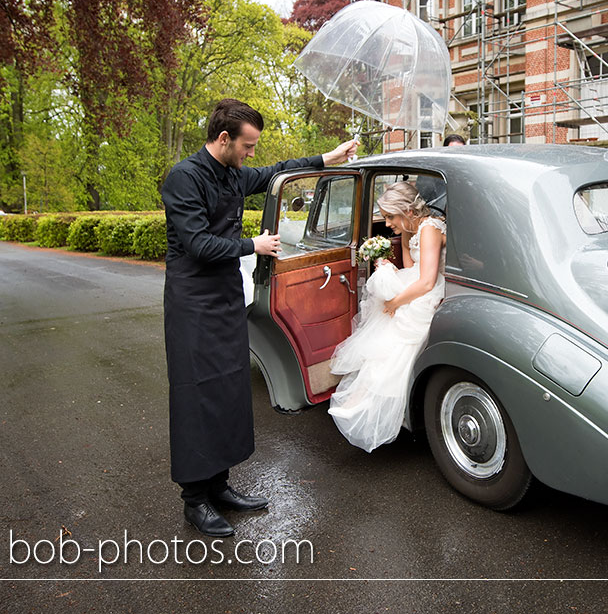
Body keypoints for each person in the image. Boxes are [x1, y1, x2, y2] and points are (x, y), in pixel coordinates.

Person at [161, 98, 357, 538]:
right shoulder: (183, 178)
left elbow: (275, 172)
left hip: (227, 296)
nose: (252, 154)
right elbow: (197, 243)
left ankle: (220, 485)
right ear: (225, 138)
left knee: (230, 388)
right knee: (197, 395)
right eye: (247, 146)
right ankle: (195, 499)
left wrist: (328, 158)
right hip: (192, 302)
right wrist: (254, 245)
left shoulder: (233, 173)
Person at [328, 182, 447, 453]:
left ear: (406, 210)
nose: (387, 223)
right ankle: (365, 398)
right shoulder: (410, 229)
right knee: (382, 322)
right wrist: (385, 266)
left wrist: (395, 302)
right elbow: (409, 267)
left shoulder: (430, 228)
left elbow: (427, 281)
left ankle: (375, 402)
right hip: (416, 284)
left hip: (431, 288)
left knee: (393, 331)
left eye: (390, 216)